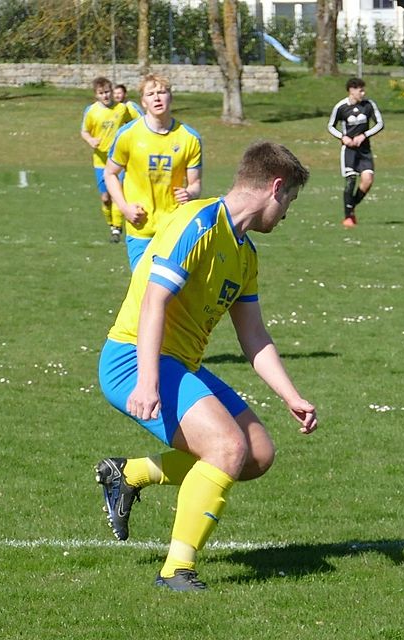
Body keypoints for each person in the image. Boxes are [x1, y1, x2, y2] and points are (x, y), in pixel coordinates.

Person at [95, 141, 318, 592]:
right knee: (226, 448)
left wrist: (291, 395)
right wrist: (147, 381)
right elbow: (155, 301)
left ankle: (129, 473)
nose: (289, 212)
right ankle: (176, 570)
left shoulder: (245, 253)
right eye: (291, 200)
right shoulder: (197, 225)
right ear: (275, 188)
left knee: (256, 455)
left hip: (176, 362)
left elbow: (253, 336)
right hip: (132, 359)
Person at [105, 74, 203, 271]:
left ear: (170, 97)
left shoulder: (189, 138)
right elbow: (110, 173)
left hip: (175, 228)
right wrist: (124, 208)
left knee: (172, 295)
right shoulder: (128, 134)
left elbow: (196, 184)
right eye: (150, 94)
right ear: (143, 102)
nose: (157, 98)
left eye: (162, 92)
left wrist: (190, 193)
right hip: (141, 228)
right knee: (144, 292)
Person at [81, 77, 133, 243]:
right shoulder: (91, 111)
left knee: (118, 194)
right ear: (96, 95)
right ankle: (111, 223)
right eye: (101, 93)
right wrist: (91, 140)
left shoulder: (122, 108)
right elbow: (84, 131)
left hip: (119, 161)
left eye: (107, 92)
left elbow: (134, 125)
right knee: (105, 197)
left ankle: (117, 229)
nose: (105, 96)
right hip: (100, 161)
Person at [327, 77, 383, 227]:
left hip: (364, 150)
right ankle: (348, 217)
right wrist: (342, 137)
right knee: (351, 180)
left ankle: (350, 206)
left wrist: (364, 135)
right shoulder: (341, 107)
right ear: (351, 90)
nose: (363, 93)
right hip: (349, 151)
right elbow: (331, 126)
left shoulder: (369, 105)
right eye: (360, 90)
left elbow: (380, 124)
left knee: (367, 181)